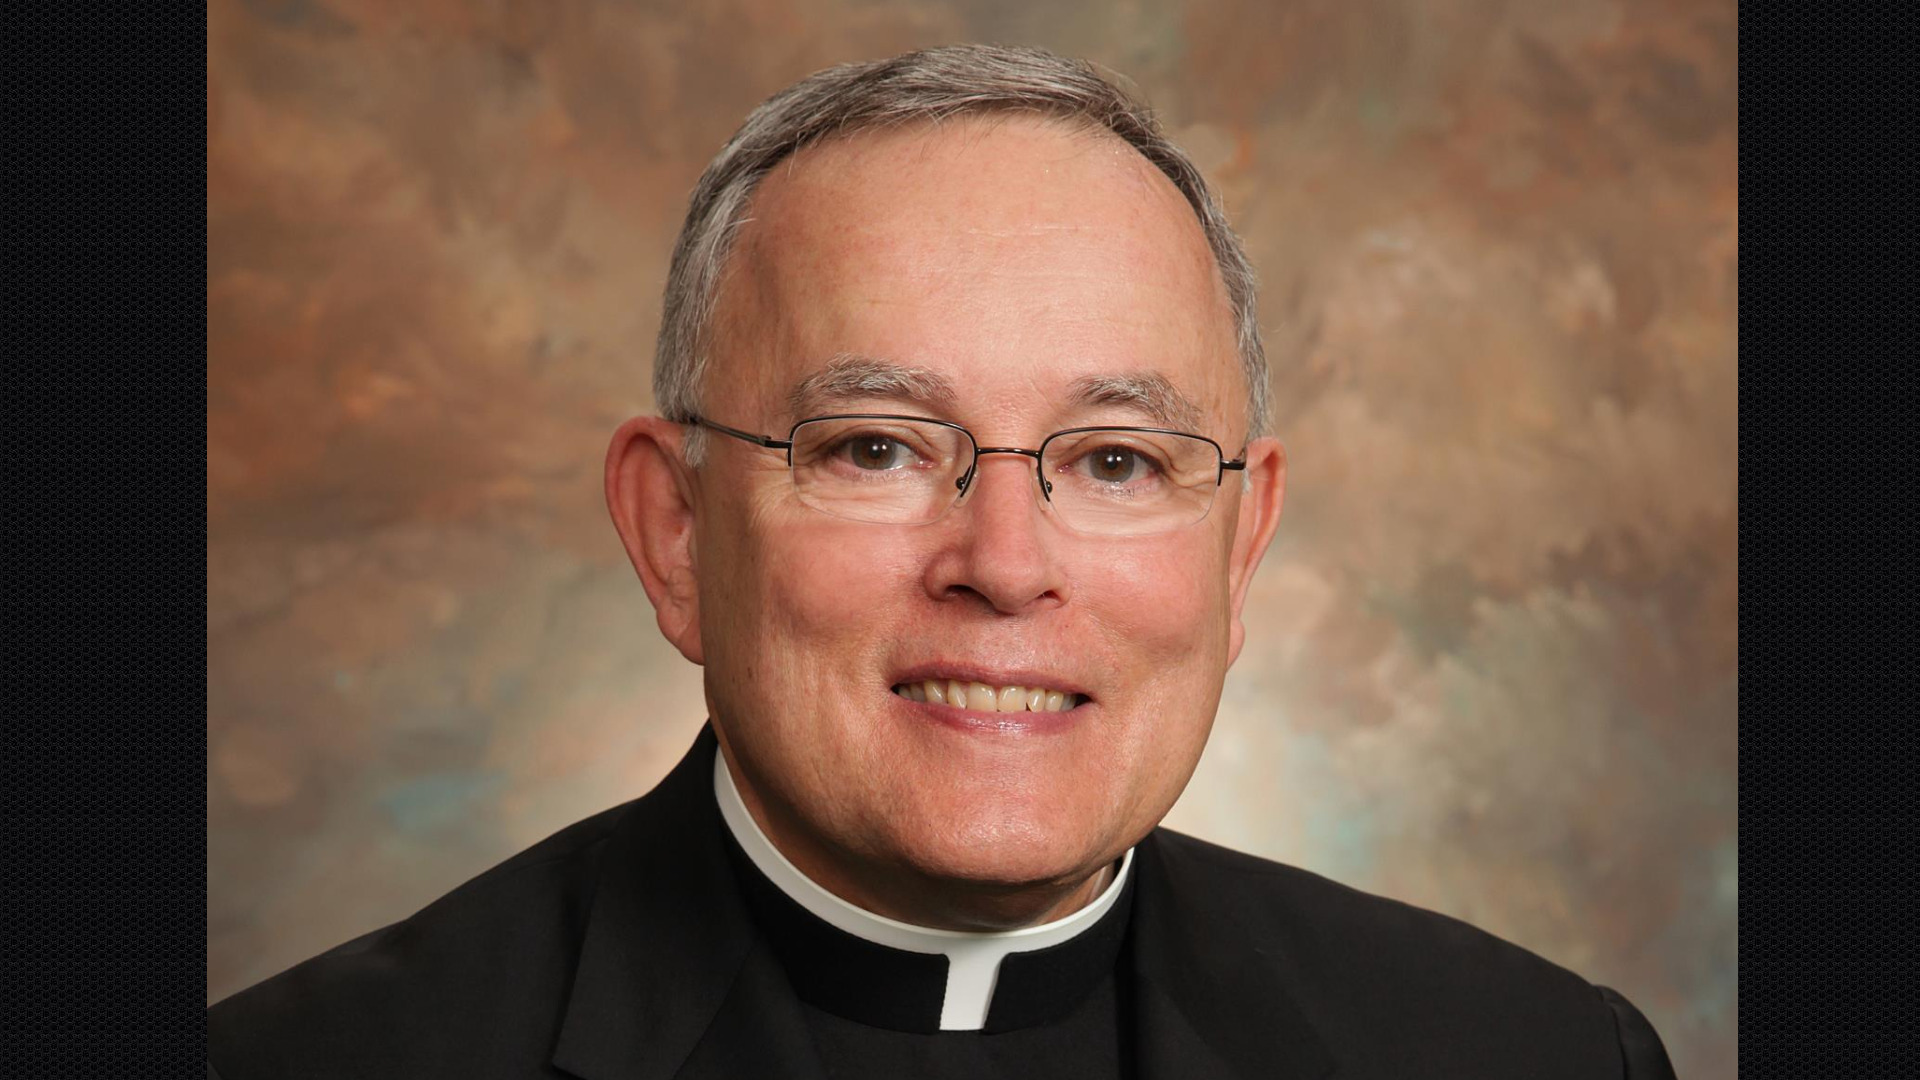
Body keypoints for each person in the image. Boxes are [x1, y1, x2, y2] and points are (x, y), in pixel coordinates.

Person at [209, 44, 1677, 1079]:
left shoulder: (1534, 1056)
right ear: (675, 531)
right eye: (875, 447)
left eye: (1116, 461)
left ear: (1241, 551)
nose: (1005, 564)